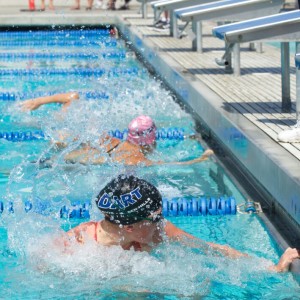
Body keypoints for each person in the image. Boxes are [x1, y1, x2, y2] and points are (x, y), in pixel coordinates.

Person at [65, 174, 300, 272]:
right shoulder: (79, 244)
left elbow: (214, 250)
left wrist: (273, 268)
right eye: (155, 218)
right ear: (129, 227)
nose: (162, 222)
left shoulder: (157, 231)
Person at [20, 92, 214, 166]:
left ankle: (38, 103)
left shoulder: (109, 140)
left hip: (60, 153)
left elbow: (74, 96)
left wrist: (39, 101)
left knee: (63, 137)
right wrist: (202, 158)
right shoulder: (137, 160)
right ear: (151, 141)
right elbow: (172, 165)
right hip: (63, 163)